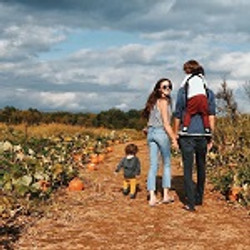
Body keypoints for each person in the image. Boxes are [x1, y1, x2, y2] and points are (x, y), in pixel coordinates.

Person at [173, 60, 216, 212]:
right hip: (203, 134)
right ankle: (199, 197)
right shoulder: (208, 91)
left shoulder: (183, 90)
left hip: (187, 134)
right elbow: (211, 115)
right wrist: (210, 135)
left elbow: (178, 113)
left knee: (188, 168)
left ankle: (190, 203)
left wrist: (176, 134)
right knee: (201, 166)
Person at [142, 78, 178, 207]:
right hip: (160, 133)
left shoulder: (152, 102)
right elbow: (166, 124)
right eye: (164, 87)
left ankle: (152, 197)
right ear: (159, 89)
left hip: (151, 133)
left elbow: (149, 122)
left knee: (153, 165)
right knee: (167, 164)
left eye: (169, 87)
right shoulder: (163, 102)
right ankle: (165, 195)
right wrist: (174, 139)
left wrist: (148, 129)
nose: (167, 89)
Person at [181, 60, 211, 134]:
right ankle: (207, 128)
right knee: (205, 113)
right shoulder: (201, 77)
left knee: (189, 113)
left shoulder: (188, 77)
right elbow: (206, 86)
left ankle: (185, 128)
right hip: (203, 97)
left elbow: (182, 86)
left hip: (193, 97)